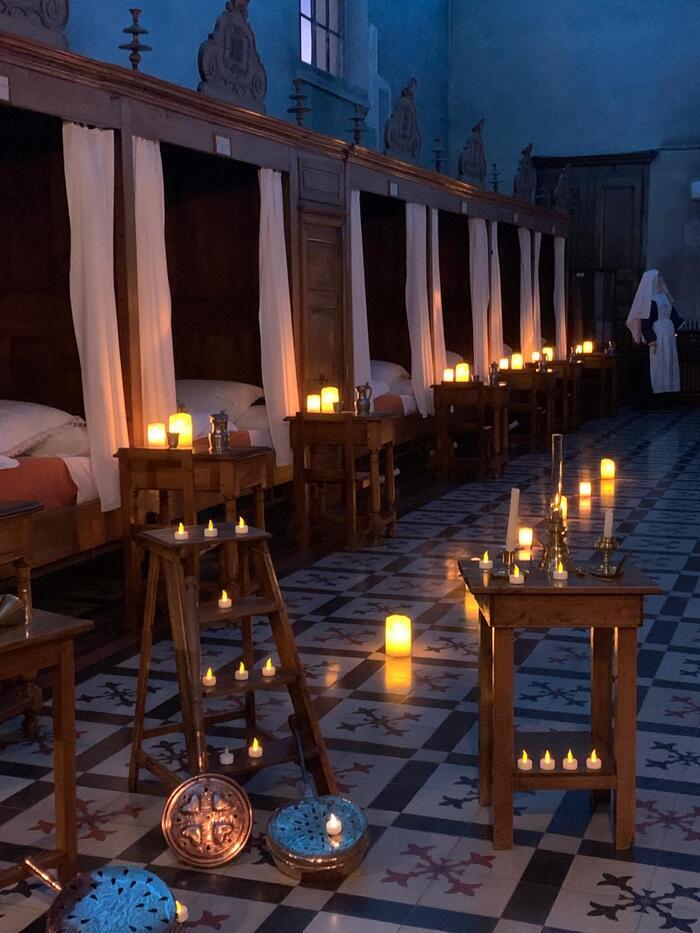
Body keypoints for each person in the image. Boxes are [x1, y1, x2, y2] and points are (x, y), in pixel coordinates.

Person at [626, 269, 683, 400]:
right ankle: (655, 397)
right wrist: (651, 338)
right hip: (658, 334)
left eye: (659, 279)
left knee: (669, 362)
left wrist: (675, 326)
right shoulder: (648, 301)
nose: (659, 282)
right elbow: (646, 321)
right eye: (656, 280)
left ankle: (668, 395)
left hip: (668, 334)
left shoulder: (664, 297)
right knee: (657, 364)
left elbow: (672, 314)